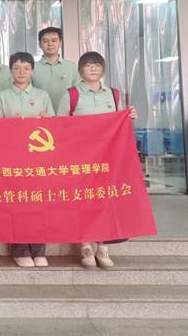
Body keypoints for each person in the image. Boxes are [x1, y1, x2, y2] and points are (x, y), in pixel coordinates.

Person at [57, 51, 137, 269]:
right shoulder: (71, 95)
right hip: (80, 159)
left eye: (97, 65)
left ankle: (103, 246)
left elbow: (121, 126)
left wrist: (129, 118)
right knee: (83, 200)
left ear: (103, 69)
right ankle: (85, 246)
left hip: (108, 159)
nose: (93, 68)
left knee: (105, 199)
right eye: (88, 65)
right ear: (80, 70)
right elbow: (59, 128)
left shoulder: (114, 94)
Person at [0, 52, 54, 268]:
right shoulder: (2, 96)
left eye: (26, 68)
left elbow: (54, 126)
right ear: (10, 71)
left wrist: (46, 121)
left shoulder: (42, 95)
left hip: (38, 160)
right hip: (12, 158)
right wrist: (9, 124)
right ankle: (19, 250)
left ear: (32, 71)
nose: (21, 72)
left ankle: (39, 250)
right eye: (17, 68)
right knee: (17, 203)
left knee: (38, 203)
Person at [32, 27, 80, 112]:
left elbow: (79, 92)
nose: (50, 44)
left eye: (54, 41)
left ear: (60, 43)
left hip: (67, 115)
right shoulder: (32, 68)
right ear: (39, 45)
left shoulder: (72, 66)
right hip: (41, 115)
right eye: (45, 41)